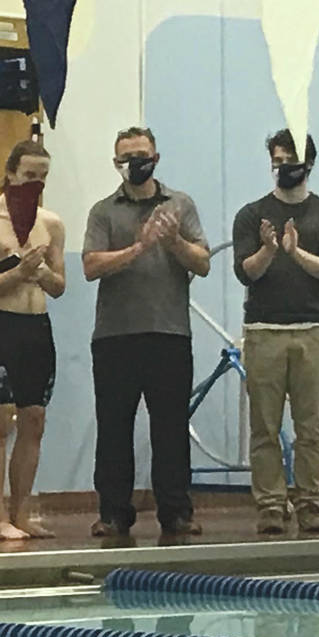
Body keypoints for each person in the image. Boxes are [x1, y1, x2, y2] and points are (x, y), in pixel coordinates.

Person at [81, 127, 211, 538]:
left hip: (170, 333)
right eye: (126, 157)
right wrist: (138, 248)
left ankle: (176, 511)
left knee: (171, 427)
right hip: (115, 336)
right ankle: (114, 512)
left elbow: (203, 262)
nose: (135, 162)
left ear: (156, 156)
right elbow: (90, 266)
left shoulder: (180, 204)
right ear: (116, 163)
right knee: (114, 427)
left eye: (141, 154)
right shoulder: (104, 211)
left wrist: (172, 241)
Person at [233, 130, 319, 535]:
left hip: (312, 331)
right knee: (264, 426)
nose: (283, 168)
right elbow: (245, 270)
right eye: (277, 161)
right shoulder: (251, 215)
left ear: (309, 164)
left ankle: (311, 503)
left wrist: (296, 252)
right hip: (263, 331)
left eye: (290, 161)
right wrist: (268, 249)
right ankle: (270, 505)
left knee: (311, 427)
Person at [0, 138, 66, 541]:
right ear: (10, 174)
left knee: (34, 421)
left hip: (36, 325)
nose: (35, 184)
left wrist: (40, 275)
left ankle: (23, 513)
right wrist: (16, 274)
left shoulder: (51, 224)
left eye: (42, 177)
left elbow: (59, 286)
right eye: (28, 176)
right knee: (1, 421)